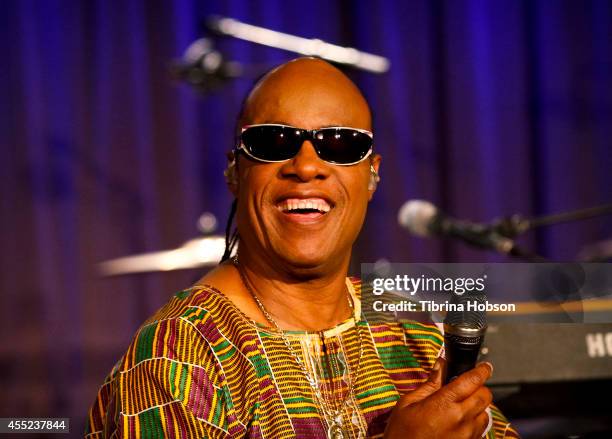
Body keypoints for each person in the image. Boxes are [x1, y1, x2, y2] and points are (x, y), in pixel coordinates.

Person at [86, 57, 519, 438]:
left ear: (372, 175)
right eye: (274, 142)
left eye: (341, 145)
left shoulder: (415, 332)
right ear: (235, 172)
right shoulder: (181, 354)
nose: (307, 166)